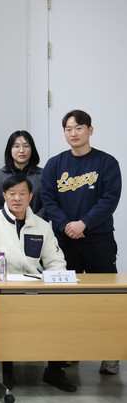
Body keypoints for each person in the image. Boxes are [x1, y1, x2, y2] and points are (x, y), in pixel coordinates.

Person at [0, 174, 72, 392]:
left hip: (37, 290)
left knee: (61, 310)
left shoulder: (42, 226)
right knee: (3, 313)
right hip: (3, 291)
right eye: (12, 194)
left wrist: (56, 285)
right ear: (4, 196)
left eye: (22, 194)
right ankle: (6, 368)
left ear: (30, 197)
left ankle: (55, 370)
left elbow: (56, 261)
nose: (17, 198)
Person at [41, 109, 122, 376]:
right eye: (68, 129)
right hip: (65, 241)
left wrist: (84, 223)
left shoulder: (106, 162)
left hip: (99, 240)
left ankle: (110, 354)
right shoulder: (55, 164)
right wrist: (67, 225)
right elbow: (48, 199)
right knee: (66, 299)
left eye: (78, 128)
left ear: (90, 130)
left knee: (106, 299)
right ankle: (69, 350)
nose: (73, 133)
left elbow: (109, 199)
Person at [0, 130, 45, 218]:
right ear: (10, 149)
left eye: (26, 146)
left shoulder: (42, 174)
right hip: (6, 224)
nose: (21, 150)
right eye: (16, 146)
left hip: (36, 224)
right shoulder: (0, 175)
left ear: (32, 149)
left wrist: (33, 222)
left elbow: (47, 205)